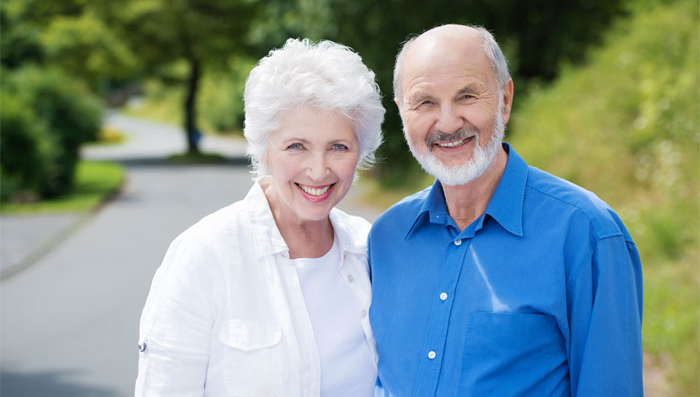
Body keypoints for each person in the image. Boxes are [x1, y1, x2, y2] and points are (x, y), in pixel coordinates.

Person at [368, 25, 643, 396]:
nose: (447, 123)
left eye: (467, 96)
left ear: (505, 99)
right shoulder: (387, 236)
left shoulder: (587, 233)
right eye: (426, 102)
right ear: (403, 112)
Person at [135, 38, 385, 396]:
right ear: (264, 148)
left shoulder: (370, 249)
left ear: (360, 152)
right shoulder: (203, 255)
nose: (318, 170)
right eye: (296, 146)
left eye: (338, 147)